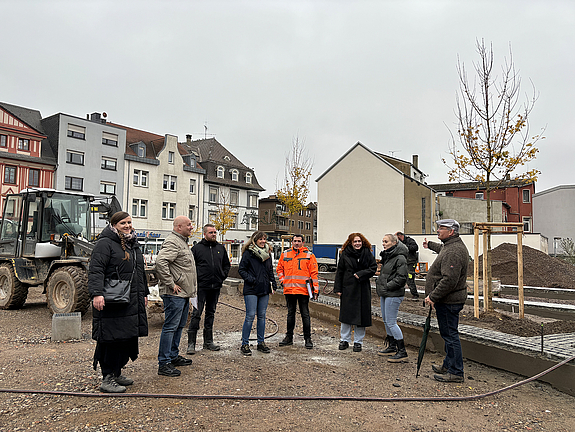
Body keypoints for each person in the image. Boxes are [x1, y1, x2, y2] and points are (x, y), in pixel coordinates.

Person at [88, 211, 148, 393]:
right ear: (114, 225)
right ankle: (107, 377)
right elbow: (96, 270)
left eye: (129, 222)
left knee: (126, 337)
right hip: (112, 300)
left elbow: (139, 272)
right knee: (111, 338)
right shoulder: (105, 244)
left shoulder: (132, 244)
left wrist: (144, 293)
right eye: (123, 223)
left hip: (130, 300)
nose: (127, 225)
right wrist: (96, 294)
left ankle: (116, 372)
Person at [423, 219, 469, 383]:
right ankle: (448, 365)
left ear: (451, 232)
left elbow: (449, 280)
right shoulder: (450, 245)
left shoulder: (453, 252)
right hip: (448, 300)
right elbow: (442, 249)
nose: (438, 231)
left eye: (441, 228)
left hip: (449, 301)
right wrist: (430, 245)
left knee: (450, 335)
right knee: (448, 334)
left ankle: (456, 372)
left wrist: (433, 296)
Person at [155, 216, 197, 377]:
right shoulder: (173, 242)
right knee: (171, 327)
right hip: (174, 294)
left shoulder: (182, 241)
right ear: (179, 227)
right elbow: (161, 262)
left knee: (179, 326)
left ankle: (172, 355)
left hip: (183, 293)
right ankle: (164, 362)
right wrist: (171, 284)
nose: (191, 227)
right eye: (189, 225)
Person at [186, 224, 231, 354]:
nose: (214, 234)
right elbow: (190, 267)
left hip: (215, 286)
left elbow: (226, 265)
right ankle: (191, 343)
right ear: (204, 234)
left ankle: (208, 341)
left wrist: (222, 276)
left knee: (210, 313)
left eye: (215, 232)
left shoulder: (220, 248)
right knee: (196, 314)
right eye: (211, 232)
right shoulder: (196, 249)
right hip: (200, 287)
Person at [333, 233, 377, 352]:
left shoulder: (367, 253)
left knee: (361, 317)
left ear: (362, 242)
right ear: (351, 243)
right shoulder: (345, 254)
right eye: (355, 242)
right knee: (346, 316)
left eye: (359, 241)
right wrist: (338, 288)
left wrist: (361, 274)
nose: (357, 243)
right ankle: (344, 340)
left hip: (362, 289)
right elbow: (340, 272)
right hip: (348, 288)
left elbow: (373, 268)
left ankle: (358, 342)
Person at [238, 231, 277, 356]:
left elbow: (270, 270)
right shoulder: (249, 253)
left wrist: (273, 283)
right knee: (250, 316)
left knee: (262, 316)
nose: (263, 241)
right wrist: (251, 280)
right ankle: (245, 344)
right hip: (252, 289)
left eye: (264, 239)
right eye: (260, 239)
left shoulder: (267, 254)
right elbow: (241, 269)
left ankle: (261, 342)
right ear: (255, 240)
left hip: (264, 288)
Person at [277, 234, 319, 349]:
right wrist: (282, 281)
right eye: (295, 241)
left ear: (303, 242)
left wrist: (315, 289)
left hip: (303, 291)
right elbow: (279, 269)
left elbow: (314, 274)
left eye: (299, 241)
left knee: (305, 314)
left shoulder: (309, 256)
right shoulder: (285, 254)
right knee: (290, 314)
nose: (296, 243)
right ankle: (289, 337)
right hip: (289, 290)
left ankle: (308, 338)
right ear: (292, 242)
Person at [376, 233, 409, 362]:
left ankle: (402, 351)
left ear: (394, 243)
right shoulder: (388, 257)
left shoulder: (400, 258)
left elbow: (401, 278)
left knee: (391, 322)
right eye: (383, 241)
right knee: (385, 320)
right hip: (386, 293)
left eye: (386, 241)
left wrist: (386, 286)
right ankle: (392, 345)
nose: (383, 244)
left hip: (394, 294)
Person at [396, 231, 420, 299]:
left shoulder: (410, 240)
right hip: (403, 263)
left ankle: (415, 294)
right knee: (400, 277)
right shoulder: (399, 243)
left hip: (411, 263)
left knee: (410, 278)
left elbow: (415, 248)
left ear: (400, 236)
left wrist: (405, 247)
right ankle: (399, 293)